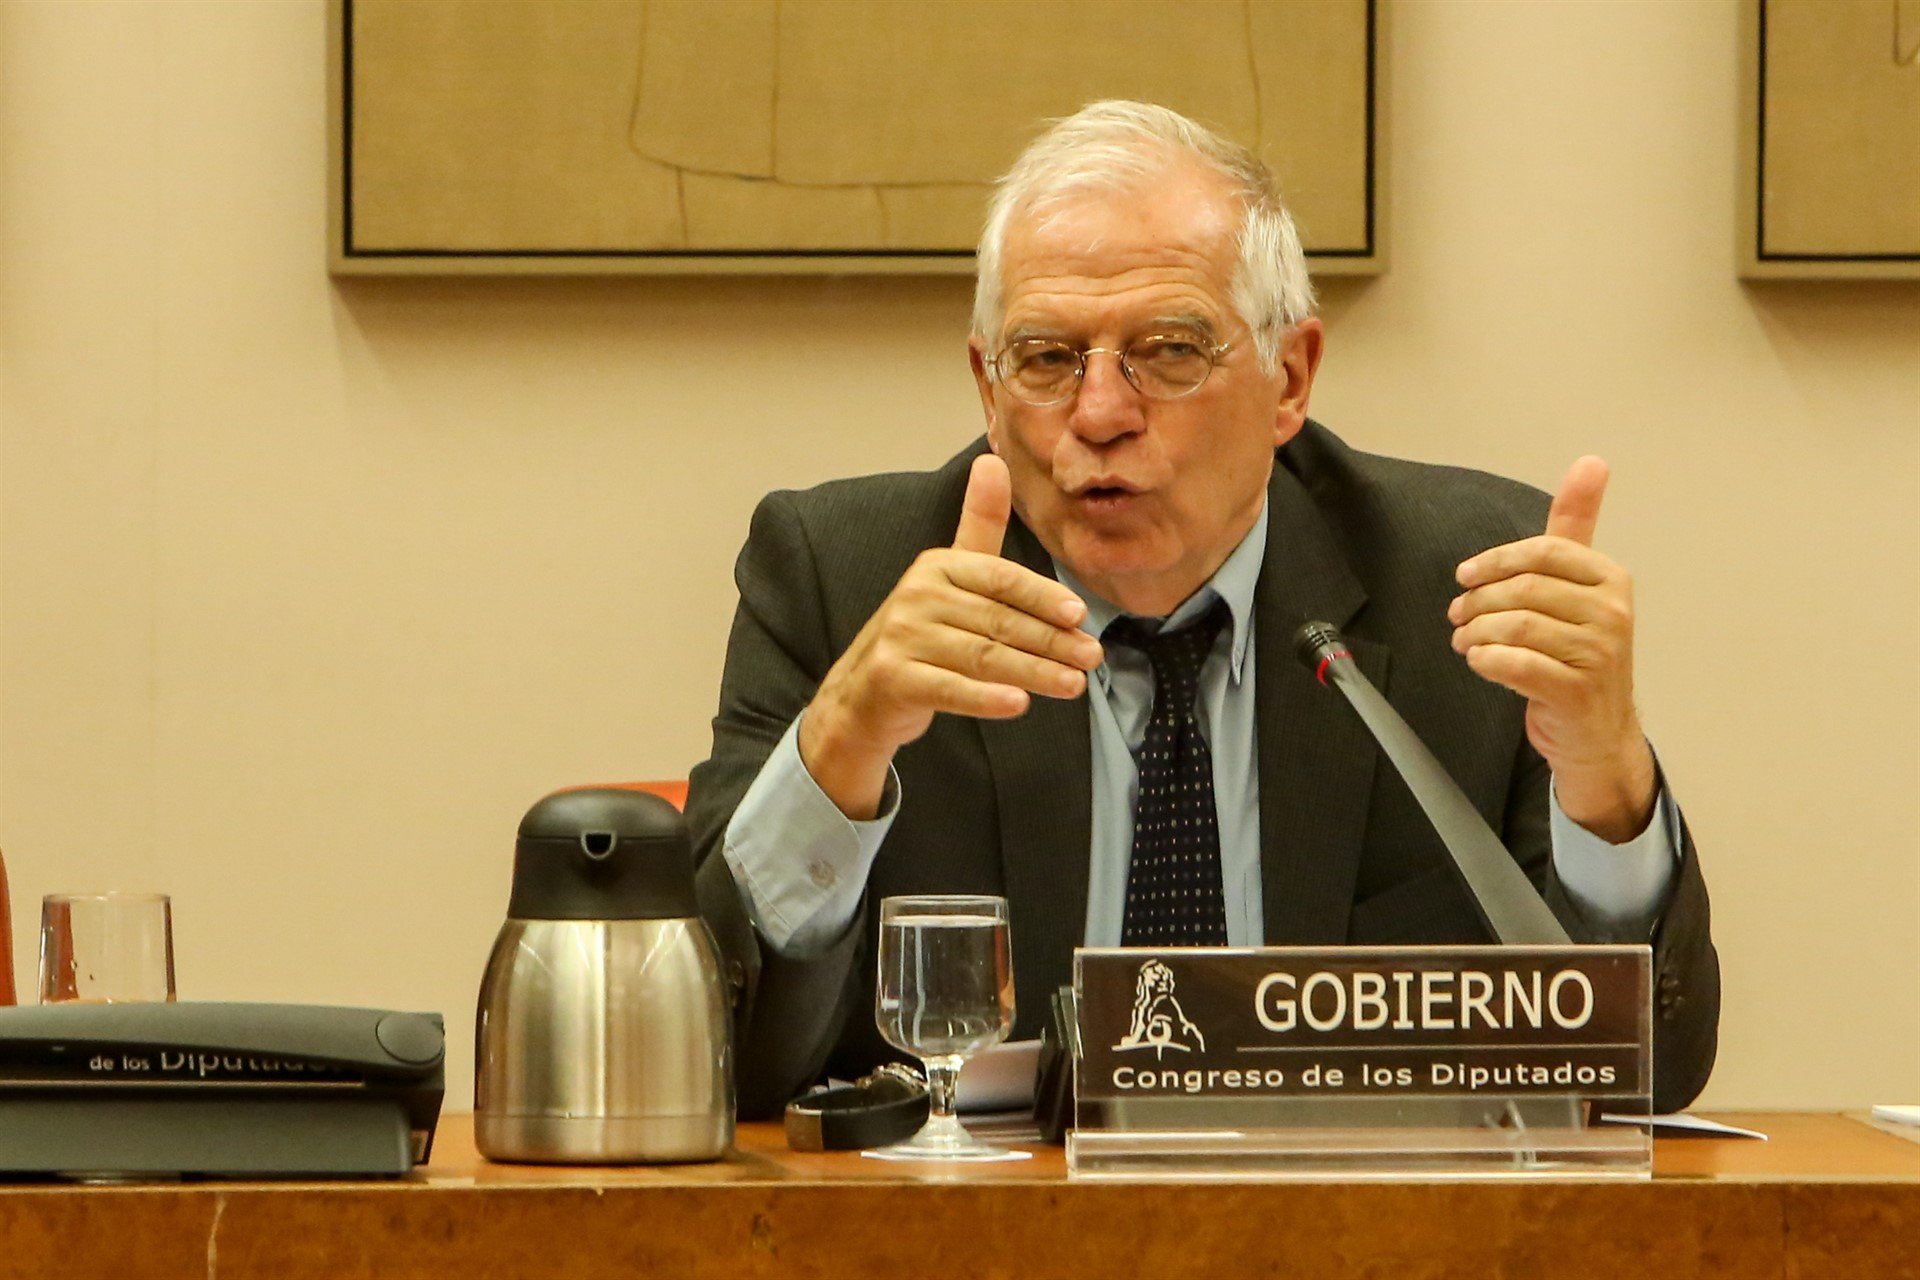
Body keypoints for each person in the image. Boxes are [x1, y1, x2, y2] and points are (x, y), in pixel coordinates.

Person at [687, 101, 1718, 1119]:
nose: (1099, 415)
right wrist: (844, 740)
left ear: (1289, 378)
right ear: (988, 390)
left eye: (1171, 350)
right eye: (1045, 359)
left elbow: (1647, 1070)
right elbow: (711, 1056)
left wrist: (1604, 775)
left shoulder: (1467, 587)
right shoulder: (842, 579)